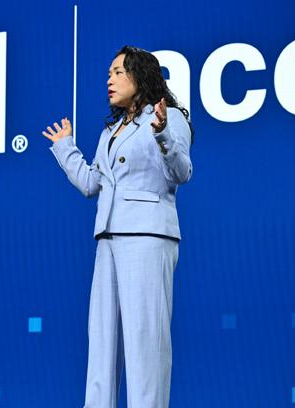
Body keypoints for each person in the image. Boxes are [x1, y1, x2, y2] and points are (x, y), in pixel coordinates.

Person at [42, 45, 193, 408]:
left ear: (140, 76)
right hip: (108, 239)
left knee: (145, 343)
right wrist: (65, 149)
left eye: (118, 72)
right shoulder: (111, 131)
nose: (109, 80)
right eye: (108, 74)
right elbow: (91, 184)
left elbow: (181, 172)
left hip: (147, 237)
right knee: (102, 342)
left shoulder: (168, 117)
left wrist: (162, 134)